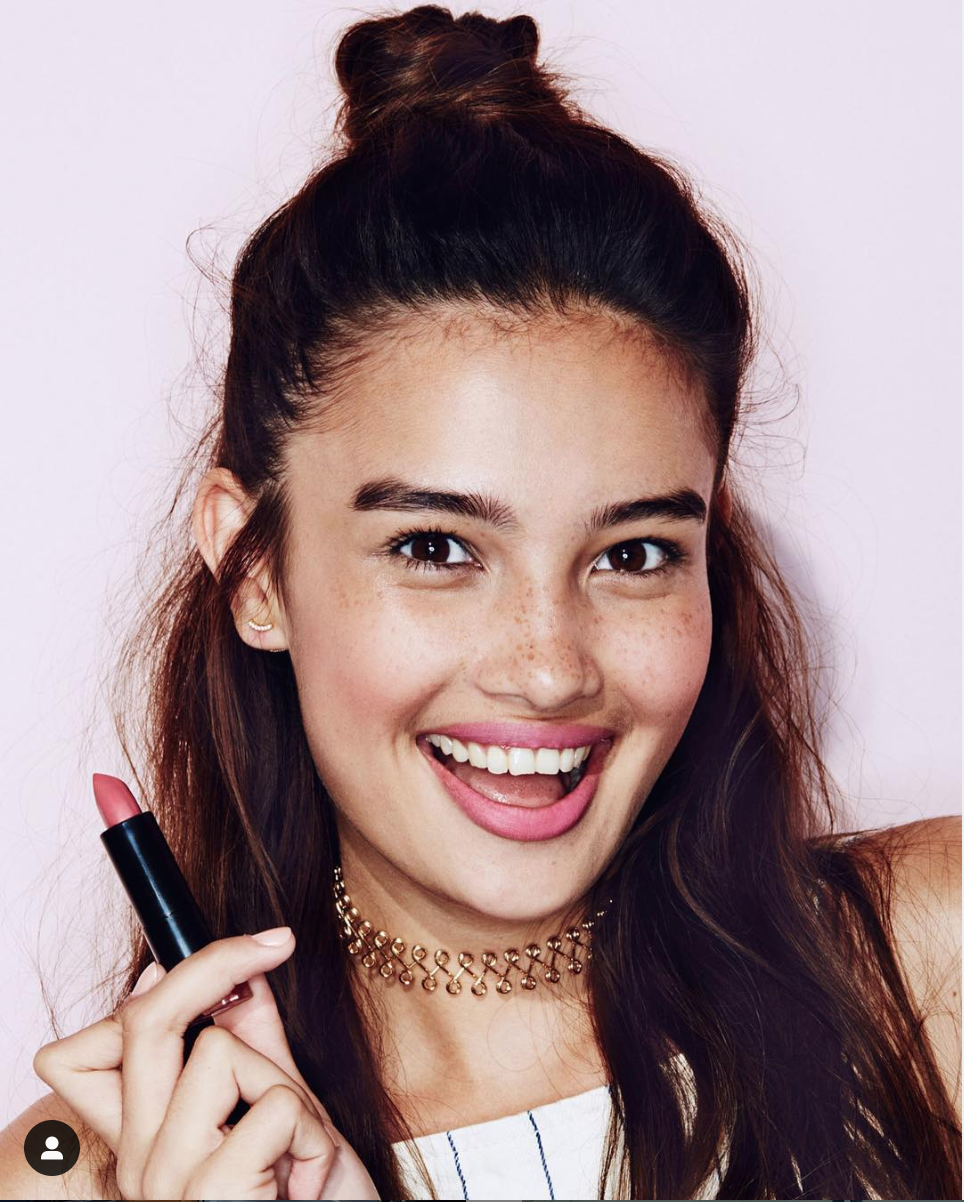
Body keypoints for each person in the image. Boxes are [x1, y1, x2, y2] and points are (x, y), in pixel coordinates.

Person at [1, 5, 960, 1199]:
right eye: (436, 546)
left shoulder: (927, 968)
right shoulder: (78, 1171)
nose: (550, 666)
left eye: (634, 553)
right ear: (254, 570)